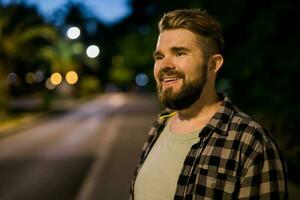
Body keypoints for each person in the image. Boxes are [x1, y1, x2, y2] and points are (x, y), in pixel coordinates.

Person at [130, 9, 288, 200]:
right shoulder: (160, 125)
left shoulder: (250, 142)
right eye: (159, 57)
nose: (164, 65)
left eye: (179, 53)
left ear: (213, 64)